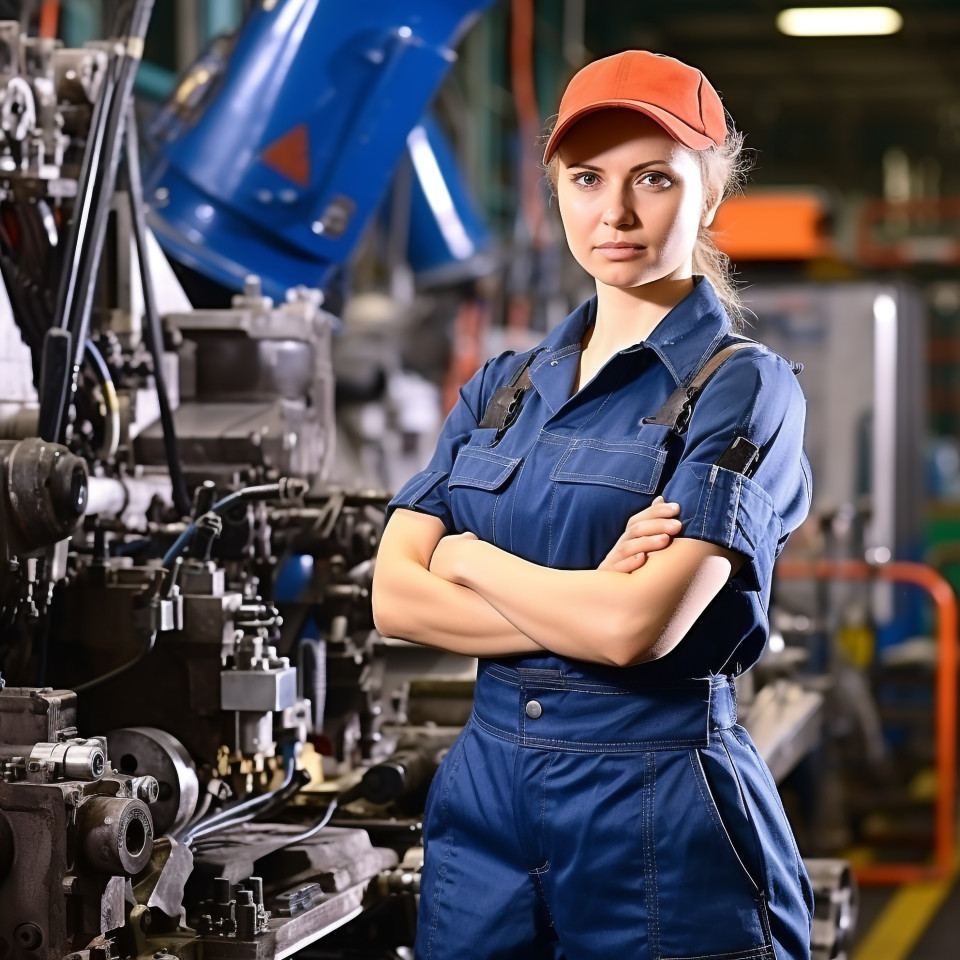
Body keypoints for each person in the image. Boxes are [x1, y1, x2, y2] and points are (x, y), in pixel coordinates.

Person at [372, 49, 814, 960]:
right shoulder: (501, 387)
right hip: (485, 803)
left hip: (655, 808)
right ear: (556, 192)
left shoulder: (743, 389)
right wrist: (584, 595)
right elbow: (394, 601)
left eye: (654, 178)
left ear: (710, 196)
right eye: (586, 179)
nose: (614, 213)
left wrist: (469, 560)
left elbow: (632, 634)